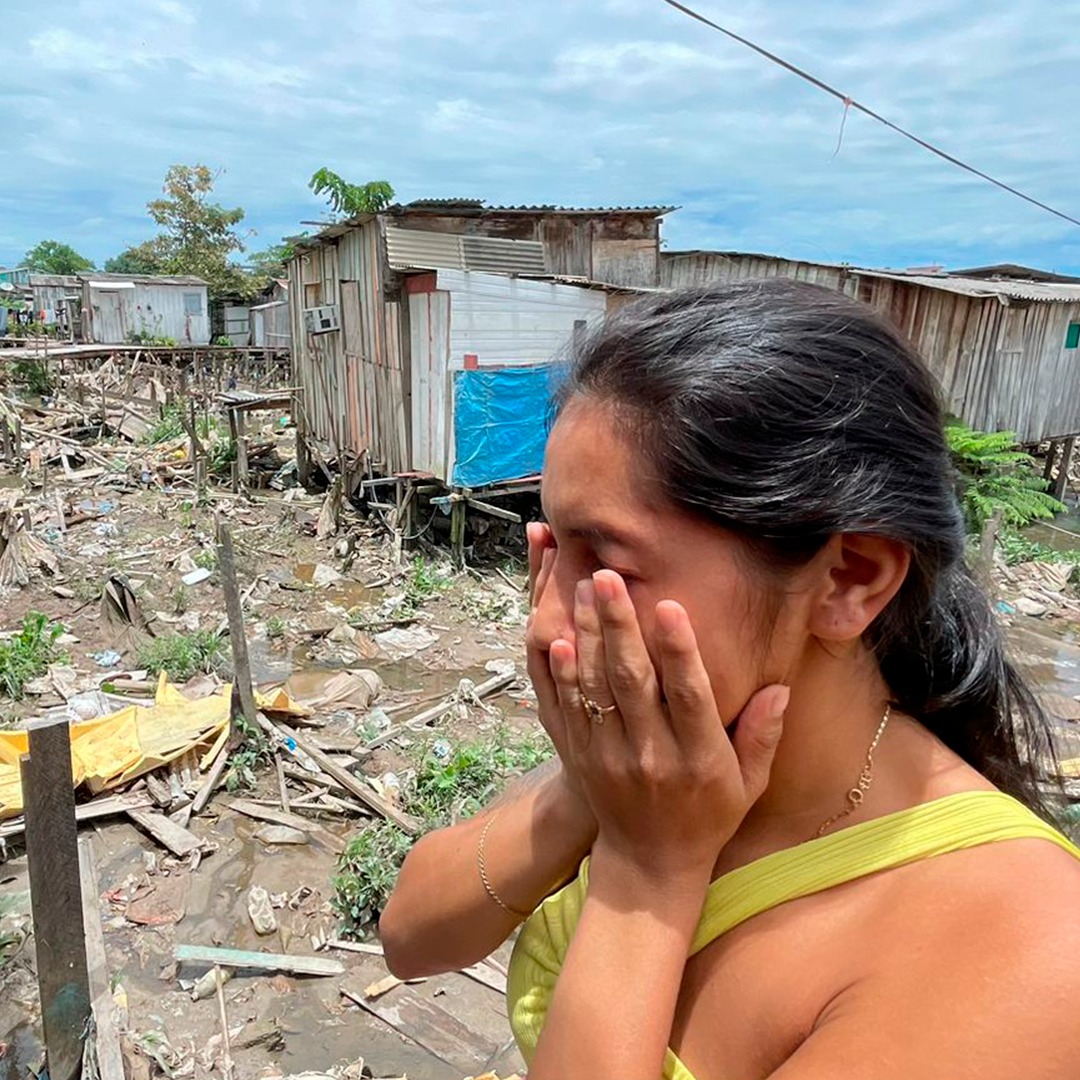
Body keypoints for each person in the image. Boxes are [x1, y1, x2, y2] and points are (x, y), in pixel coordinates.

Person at [381, 280, 1080, 1080]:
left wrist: (647, 874)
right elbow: (411, 938)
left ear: (849, 578)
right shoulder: (661, 767)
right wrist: (588, 793)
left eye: (604, 564)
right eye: (549, 552)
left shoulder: (1029, 950)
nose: (543, 625)